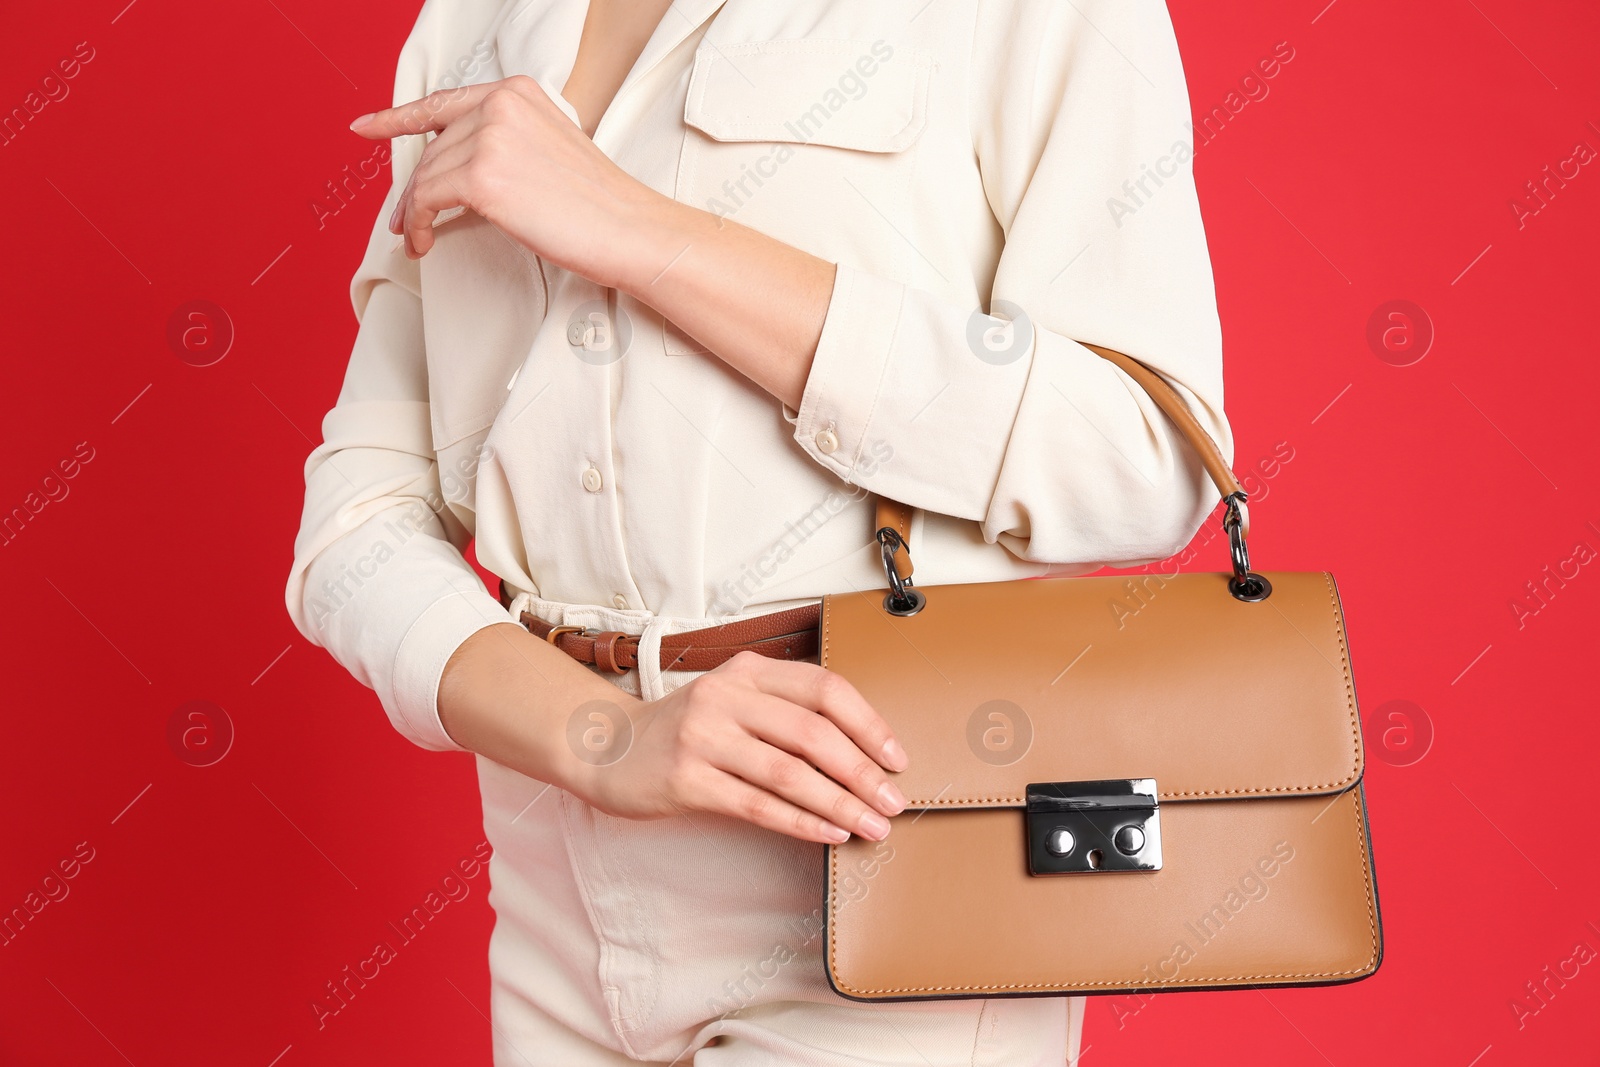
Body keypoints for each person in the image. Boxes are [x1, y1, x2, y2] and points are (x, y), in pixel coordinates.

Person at [286, 0, 1232, 1062]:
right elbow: (355, 525)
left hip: (881, 864)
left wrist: (644, 232)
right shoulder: (469, 20)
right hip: (554, 899)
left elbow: (1146, 459)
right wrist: (601, 737)